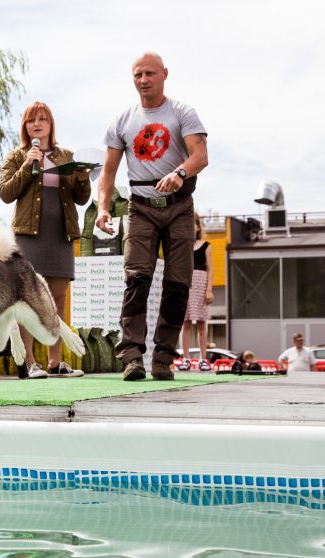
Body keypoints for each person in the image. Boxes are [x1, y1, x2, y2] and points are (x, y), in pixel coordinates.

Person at [96, 52, 208, 382]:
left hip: (179, 207)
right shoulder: (123, 121)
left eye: (149, 73)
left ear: (164, 74)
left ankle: (163, 357)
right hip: (140, 208)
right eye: (137, 74)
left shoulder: (183, 113)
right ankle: (132, 355)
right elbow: (108, 171)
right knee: (137, 279)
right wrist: (103, 207)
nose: (143, 80)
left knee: (177, 284)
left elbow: (200, 155)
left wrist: (180, 172)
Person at [0, 101, 89, 379]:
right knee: (28, 300)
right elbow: (5, 193)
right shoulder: (17, 155)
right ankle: (28, 363)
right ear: (25, 127)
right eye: (30, 120)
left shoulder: (67, 156)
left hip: (60, 236)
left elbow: (82, 199)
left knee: (57, 300)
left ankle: (55, 361)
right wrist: (28, 165)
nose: (36, 124)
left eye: (42, 119)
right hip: (28, 237)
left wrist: (83, 179)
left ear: (51, 124)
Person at [178, 213, 214, 372]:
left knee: (201, 323)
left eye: (192, 224)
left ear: (198, 227)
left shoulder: (206, 245)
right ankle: (185, 358)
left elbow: (211, 268)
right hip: (185, 286)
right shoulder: (181, 246)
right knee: (184, 323)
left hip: (200, 285)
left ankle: (202, 359)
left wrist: (209, 290)